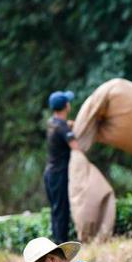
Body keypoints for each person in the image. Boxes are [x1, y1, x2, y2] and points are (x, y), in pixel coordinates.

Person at [44, 90, 80, 244]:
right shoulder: (62, 128)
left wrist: (69, 125)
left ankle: (57, 244)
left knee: (56, 211)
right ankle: (61, 246)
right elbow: (76, 147)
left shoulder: (52, 123)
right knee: (62, 211)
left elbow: (62, 126)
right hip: (59, 174)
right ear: (67, 106)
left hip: (50, 173)